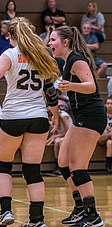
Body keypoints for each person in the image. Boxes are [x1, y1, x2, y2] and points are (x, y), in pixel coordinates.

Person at [0, 17, 60, 227]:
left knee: (2, 165)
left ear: (14, 36)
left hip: (14, 116)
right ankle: (37, 219)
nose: (7, 39)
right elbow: (50, 89)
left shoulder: (10, 54)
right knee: (32, 170)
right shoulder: (41, 55)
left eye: (9, 36)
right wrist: (53, 114)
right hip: (37, 117)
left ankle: (6, 212)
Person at [49, 25, 106, 227]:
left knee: (78, 167)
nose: (50, 43)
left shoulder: (77, 59)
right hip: (80, 116)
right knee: (63, 163)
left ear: (65, 42)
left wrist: (70, 86)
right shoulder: (66, 62)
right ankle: (80, 208)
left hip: (91, 116)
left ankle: (93, 217)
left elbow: (91, 86)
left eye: (53, 40)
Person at [97, 97, 112, 174]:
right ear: (105, 105)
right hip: (101, 137)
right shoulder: (102, 116)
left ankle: (108, 165)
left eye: (111, 104)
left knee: (110, 143)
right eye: (108, 103)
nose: (110, 105)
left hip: (110, 140)